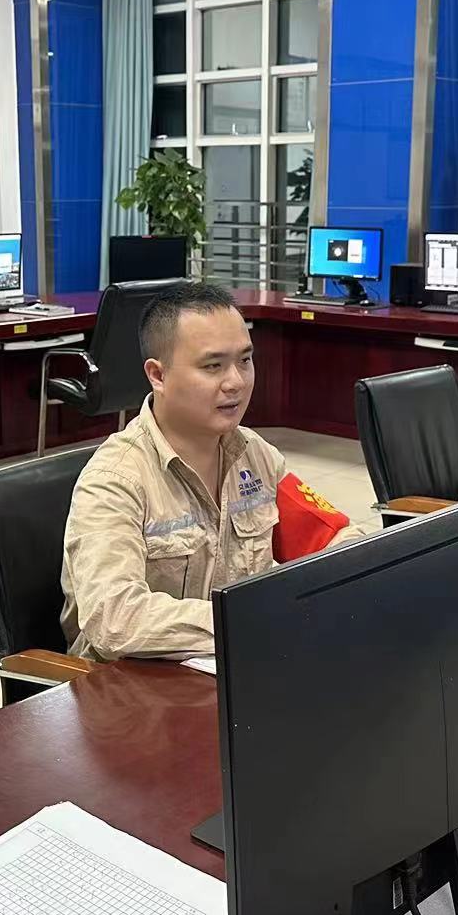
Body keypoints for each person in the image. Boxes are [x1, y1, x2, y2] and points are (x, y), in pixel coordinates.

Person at [61, 281, 364, 661]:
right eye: (213, 366)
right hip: (133, 685)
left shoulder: (254, 455)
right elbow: (115, 619)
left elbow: (329, 537)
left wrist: (364, 570)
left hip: (232, 668)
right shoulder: (114, 481)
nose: (236, 381)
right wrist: (250, 621)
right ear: (158, 375)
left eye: (245, 360)